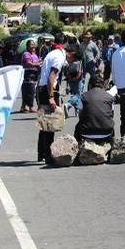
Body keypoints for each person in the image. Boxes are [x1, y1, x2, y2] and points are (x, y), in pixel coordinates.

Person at [36, 34, 79, 164]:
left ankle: (41, 153)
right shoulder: (60, 58)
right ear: (71, 54)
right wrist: (51, 97)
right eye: (72, 60)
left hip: (43, 88)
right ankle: (48, 155)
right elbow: (51, 77)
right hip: (47, 90)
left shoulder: (55, 53)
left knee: (44, 124)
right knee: (50, 124)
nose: (70, 63)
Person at [73, 74, 115, 144]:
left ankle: (78, 148)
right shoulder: (110, 97)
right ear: (103, 85)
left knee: (77, 126)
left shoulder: (83, 97)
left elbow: (80, 116)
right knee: (111, 125)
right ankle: (111, 149)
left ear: (89, 85)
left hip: (86, 133)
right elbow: (111, 115)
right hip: (106, 133)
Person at [20, 39, 40, 113]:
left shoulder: (34, 54)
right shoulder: (26, 54)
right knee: (28, 90)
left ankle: (26, 106)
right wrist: (36, 64)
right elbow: (28, 63)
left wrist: (39, 64)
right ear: (27, 46)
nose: (33, 46)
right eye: (31, 44)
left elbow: (37, 62)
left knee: (31, 90)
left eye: (33, 44)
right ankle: (29, 106)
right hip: (28, 73)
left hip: (34, 73)